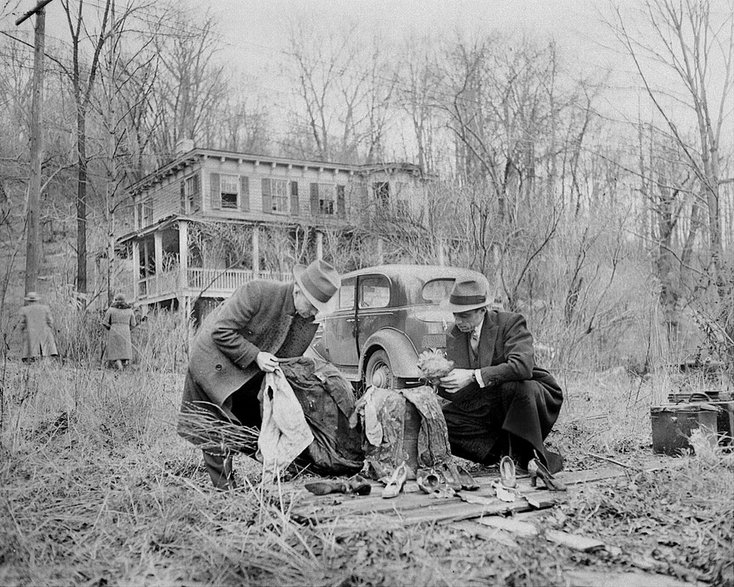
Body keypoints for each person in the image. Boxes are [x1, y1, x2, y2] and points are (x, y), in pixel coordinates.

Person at [178, 259, 341, 489]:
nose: (314, 312)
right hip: (213, 363)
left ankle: (276, 469)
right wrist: (256, 356)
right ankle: (225, 492)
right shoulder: (256, 292)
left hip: (246, 371)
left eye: (318, 308)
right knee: (217, 427)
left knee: (257, 419)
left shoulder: (302, 316)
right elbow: (221, 331)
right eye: (313, 305)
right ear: (298, 290)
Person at [438, 277, 564, 474]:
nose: (459, 321)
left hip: (525, 397)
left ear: (483, 310)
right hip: (487, 403)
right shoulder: (452, 335)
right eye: (456, 314)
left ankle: (527, 455)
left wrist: (472, 375)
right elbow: (458, 395)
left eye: (465, 315)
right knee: (440, 421)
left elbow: (522, 367)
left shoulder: (510, 322)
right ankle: (500, 455)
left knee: (516, 387)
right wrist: (440, 381)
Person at [18, 291, 58, 363]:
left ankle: (33, 365)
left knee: (31, 352)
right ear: (37, 300)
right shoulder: (45, 308)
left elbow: (22, 324)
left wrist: (22, 332)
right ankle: (43, 366)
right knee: (45, 351)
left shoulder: (24, 310)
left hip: (31, 334)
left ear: (28, 300)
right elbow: (50, 321)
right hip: (44, 333)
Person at [102, 293, 137, 370]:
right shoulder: (130, 310)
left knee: (115, 351)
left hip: (114, 331)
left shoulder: (111, 310)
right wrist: (128, 328)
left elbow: (104, 322)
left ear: (116, 300)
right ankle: (124, 366)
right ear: (125, 301)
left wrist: (110, 328)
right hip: (126, 331)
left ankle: (119, 366)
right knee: (125, 350)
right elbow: (133, 324)